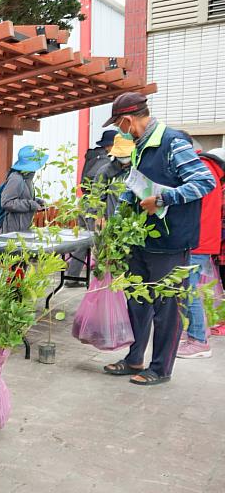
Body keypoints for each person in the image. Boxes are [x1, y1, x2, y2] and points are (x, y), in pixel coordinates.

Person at [102, 92, 215, 385]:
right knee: (137, 301)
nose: (119, 131)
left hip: (171, 242)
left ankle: (160, 368)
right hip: (142, 240)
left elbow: (205, 181)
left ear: (127, 120)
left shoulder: (173, 142)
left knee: (166, 305)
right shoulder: (141, 146)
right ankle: (134, 358)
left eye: (118, 125)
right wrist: (115, 226)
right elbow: (138, 185)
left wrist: (163, 199)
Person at [177, 144, 224, 359]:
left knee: (189, 289)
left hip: (197, 240)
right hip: (202, 239)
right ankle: (194, 336)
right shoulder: (210, 171)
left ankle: (198, 341)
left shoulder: (200, 170)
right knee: (188, 287)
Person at [66, 130, 120, 282]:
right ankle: (101, 282)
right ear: (111, 146)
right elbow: (101, 190)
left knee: (83, 242)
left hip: (84, 203)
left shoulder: (92, 158)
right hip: (95, 208)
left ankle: (72, 276)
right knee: (99, 245)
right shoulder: (104, 163)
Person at [0, 145, 48, 234]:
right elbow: (6, 202)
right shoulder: (16, 179)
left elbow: (21, 197)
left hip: (21, 229)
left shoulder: (26, 179)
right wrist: (31, 204)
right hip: (11, 232)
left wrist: (37, 201)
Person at [96, 134, 135, 219]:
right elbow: (97, 198)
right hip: (112, 221)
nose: (124, 159)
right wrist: (99, 217)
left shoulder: (139, 170)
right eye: (121, 155)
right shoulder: (105, 171)